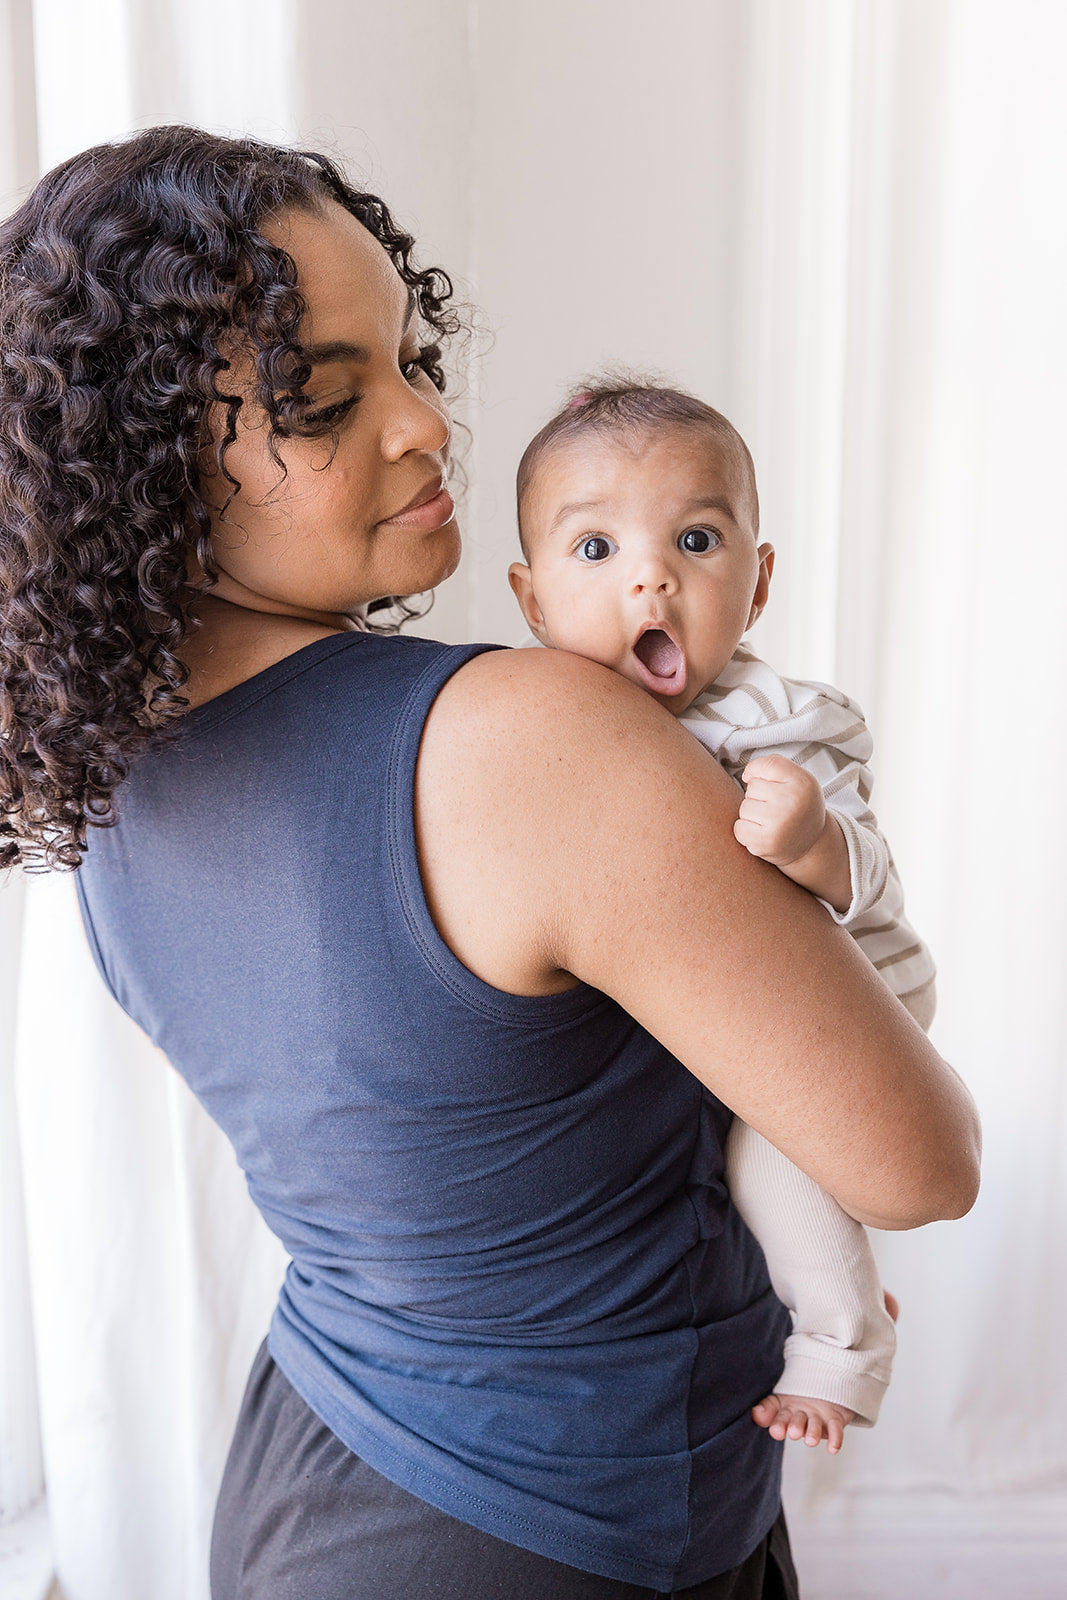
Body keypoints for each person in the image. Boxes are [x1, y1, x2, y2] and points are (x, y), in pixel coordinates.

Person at [0, 127, 980, 1600]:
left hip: (315, 1476)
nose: (429, 427)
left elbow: (460, 1159)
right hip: (552, 1534)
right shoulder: (526, 738)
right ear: (147, 468)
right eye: (325, 399)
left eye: (409, 360)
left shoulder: (114, 795)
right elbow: (918, 1161)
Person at [508, 379, 940, 1457]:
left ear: (754, 587)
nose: (651, 574)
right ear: (530, 599)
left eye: (695, 538)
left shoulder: (785, 721)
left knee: (767, 1157)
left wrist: (812, 842)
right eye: (595, 548)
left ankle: (843, 1348)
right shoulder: (545, 710)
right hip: (710, 1010)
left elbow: (875, 880)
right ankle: (805, 1268)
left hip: (858, 987)